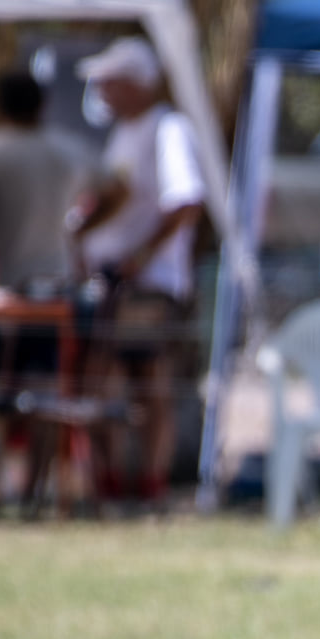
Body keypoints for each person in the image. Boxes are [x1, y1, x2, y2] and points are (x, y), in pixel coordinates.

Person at [0, 69, 97, 503]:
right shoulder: (67, 149)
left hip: (3, 291)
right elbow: (116, 187)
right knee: (47, 391)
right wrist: (79, 232)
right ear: (42, 104)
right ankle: (34, 487)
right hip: (56, 285)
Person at [71, 37, 207, 509]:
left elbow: (186, 201)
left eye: (111, 82)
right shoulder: (126, 131)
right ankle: (112, 482)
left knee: (149, 383)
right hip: (116, 281)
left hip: (147, 285)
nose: (103, 92)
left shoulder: (167, 127)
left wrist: (141, 258)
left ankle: (149, 485)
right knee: (107, 378)